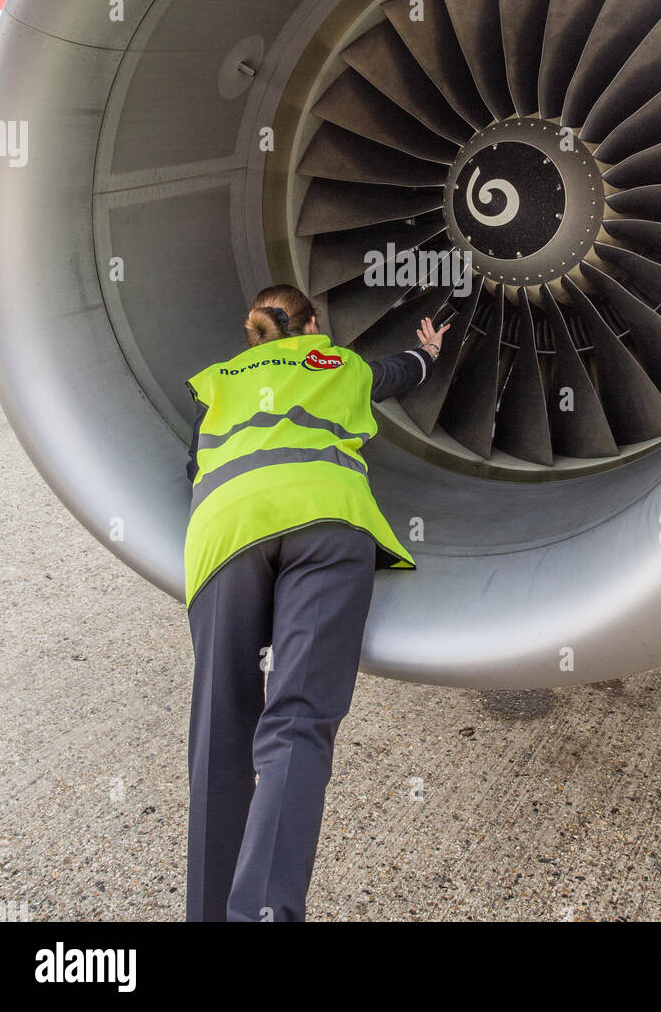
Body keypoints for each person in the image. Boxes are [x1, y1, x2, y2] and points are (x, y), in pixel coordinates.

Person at [182, 283, 450, 922]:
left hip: (226, 532)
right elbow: (399, 373)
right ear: (312, 327)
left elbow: (193, 463)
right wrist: (429, 352)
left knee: (220, 723)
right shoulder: (336, 363)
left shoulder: (218, 380)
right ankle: (266, 914)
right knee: (297, 721)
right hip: (326, 522)